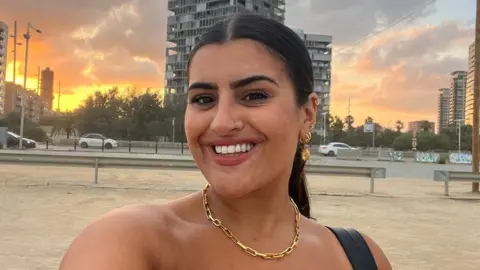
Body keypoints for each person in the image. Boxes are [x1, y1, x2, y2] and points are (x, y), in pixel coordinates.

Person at [59, 14, 392, 270]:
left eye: (254, 95)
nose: (222, 122)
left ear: (307, 113)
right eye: (204, 99)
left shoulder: (360, 258)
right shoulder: (129, 242)